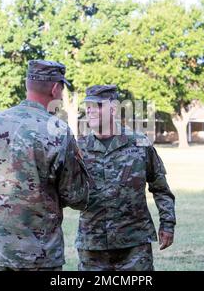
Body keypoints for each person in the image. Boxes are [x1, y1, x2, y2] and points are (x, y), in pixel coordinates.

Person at [0, 60, 91, 271]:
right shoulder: (58, 131)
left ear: (28, 85)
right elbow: (77, 197)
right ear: (55, 89)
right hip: (41, 258)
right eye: (62, 88)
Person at [75, 85, 176, 271]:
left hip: (134, 244)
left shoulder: (139, 143)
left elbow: (161, 188)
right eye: (87, 105)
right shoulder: (78, 148)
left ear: (113, 109)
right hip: (92, 245)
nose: (89, 110)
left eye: (96, 105)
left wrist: (167, 224)